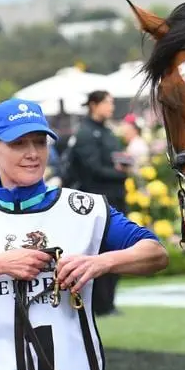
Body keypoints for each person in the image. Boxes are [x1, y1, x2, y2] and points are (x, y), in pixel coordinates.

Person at [0, 98, 168, 370]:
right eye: (19, 143)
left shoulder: (83, 208)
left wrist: (101, 262)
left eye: (39, 142)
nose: (33, 153)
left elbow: (156, 253)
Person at [69, 90, 132, 315]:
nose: (111, 107)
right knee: (98, 252)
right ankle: (99, 305)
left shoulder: (107, 131)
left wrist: (123, 165)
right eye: (107, 103)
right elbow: (92, 169)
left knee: (117, 250)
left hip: (115, 198)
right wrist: (120, 173)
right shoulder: (85, 133)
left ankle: (109, 303)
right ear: (94, 105)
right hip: (96, 201)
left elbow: (115, 160)